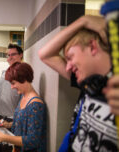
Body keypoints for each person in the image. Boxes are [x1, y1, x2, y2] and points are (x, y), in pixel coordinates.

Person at [38, 15, 118, 151]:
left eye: (70, 57)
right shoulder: (89, 82)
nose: (68, 67)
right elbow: (45, 54)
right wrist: (83, 21)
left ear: (92, 46)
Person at [0, 62, 47, 152]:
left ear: (24, 79)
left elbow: (33, 141)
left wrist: (4, 137)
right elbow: (24, 124)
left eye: (13, 83)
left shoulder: (36, 105)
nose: (12, 87)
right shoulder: (23, 96)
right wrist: (7, 124)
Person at [0, 43, 23, 152]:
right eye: (7, 55)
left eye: (13, 54)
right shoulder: (5, 72)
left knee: (6, 147)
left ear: (21, 55)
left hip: (9, 117)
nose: (9, 58)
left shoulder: (23, 74)